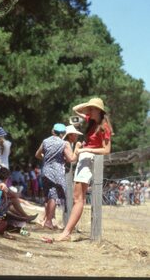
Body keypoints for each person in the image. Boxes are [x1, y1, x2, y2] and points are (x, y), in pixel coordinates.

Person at [57, 97, 113, 241]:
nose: (89, 110)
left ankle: (66, 232)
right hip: (84, 158)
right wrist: (89, 104)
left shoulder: (104, 126)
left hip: (89, 159)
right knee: (77, 198)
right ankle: (67, 232)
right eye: (89, 108)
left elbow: (106, 150)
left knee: (78, 199)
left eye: (92, 108)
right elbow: (75, 109)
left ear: (99, 111)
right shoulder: (91, 122)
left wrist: (85, 149)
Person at [35, 123, 81, 230]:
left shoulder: (45, 141)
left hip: (45, 170)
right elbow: (71, 159)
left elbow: (37, 154)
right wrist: (77, 149)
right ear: (64, 133)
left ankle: (47, 219)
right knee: (54, 196)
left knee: (48, 195)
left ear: (53, 131)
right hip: (56, 173)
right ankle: (49, 221)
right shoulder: (64, 143)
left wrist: (46, 159)